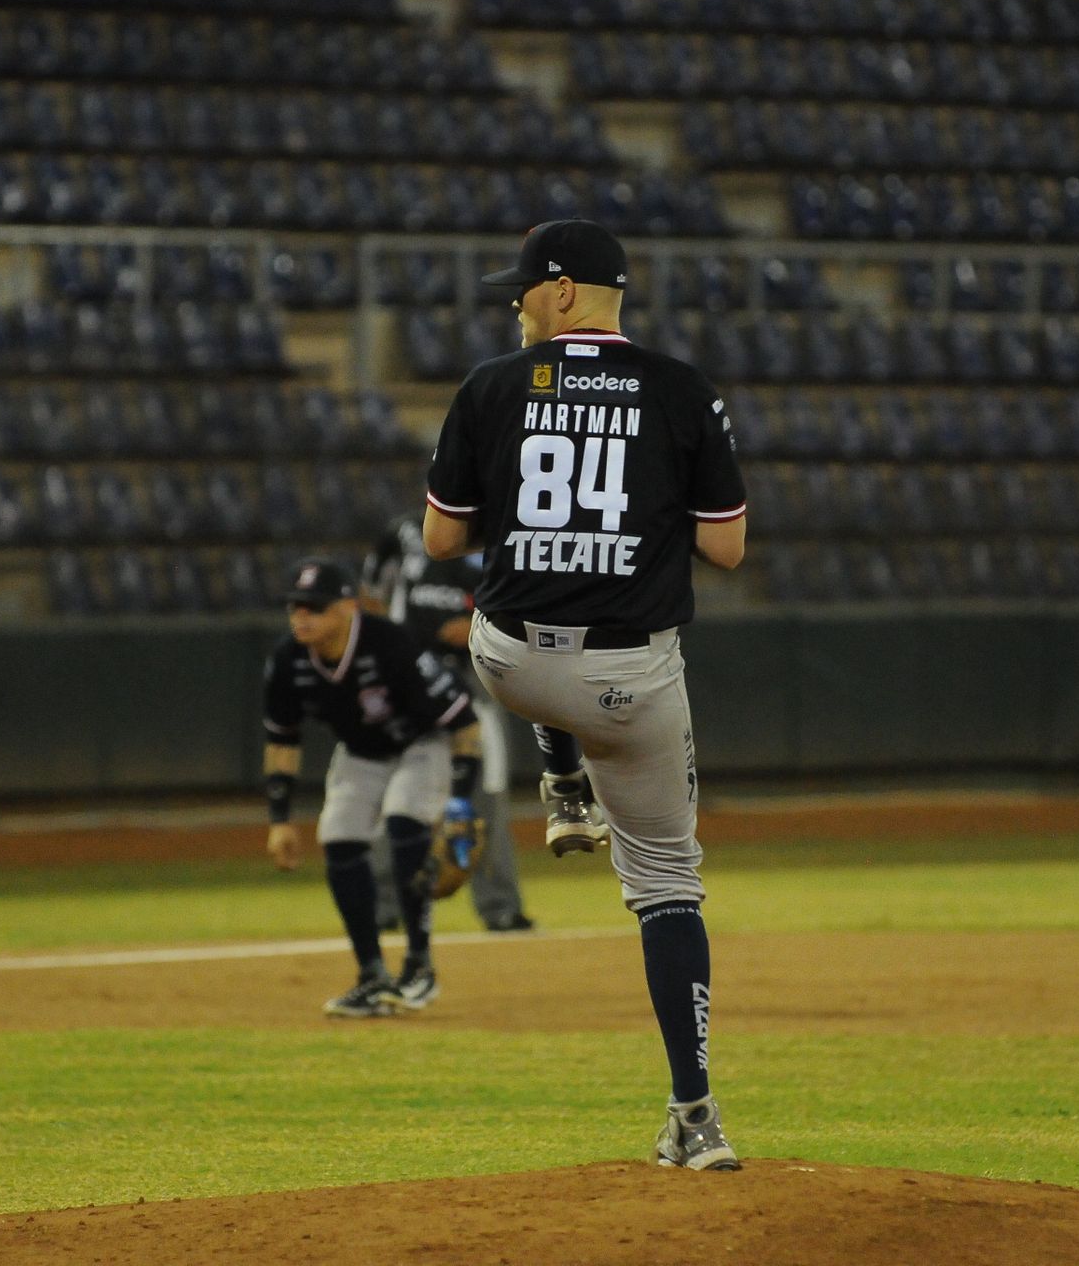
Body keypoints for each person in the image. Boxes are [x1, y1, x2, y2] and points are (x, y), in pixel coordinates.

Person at [421, 218, 749, 1171]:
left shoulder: (491, 386)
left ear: (562, 291)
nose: (514, 304)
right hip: (631, 680)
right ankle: (696, 1117)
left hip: (514, 661)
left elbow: (442, 544)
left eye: (522, 288)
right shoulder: (682, 389)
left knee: (503, 644)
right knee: (667, 886)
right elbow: (726, 547)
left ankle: (560, 781)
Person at [261, 557, 482, 1017]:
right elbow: (281, 740)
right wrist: (279, 820)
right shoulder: (288, 658)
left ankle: (419, 966)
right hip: (361, 752)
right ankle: (370, 974)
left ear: (348, 607)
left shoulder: (389, 643)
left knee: (405, 820)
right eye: (296, 607)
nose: (301, 616)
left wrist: (459, 800)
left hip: (422, 744)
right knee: (338, 837)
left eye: (314, 607)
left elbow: (463, 723)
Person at [364, 516, 536, 932]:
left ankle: (500, 908)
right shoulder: (404, 533)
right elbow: (368, 596)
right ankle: (381, 906)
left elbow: (527, 601)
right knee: (396, 796)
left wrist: (483, 626)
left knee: (487, 798)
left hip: (475, 682)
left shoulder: (506, 531)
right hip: (411, 684)